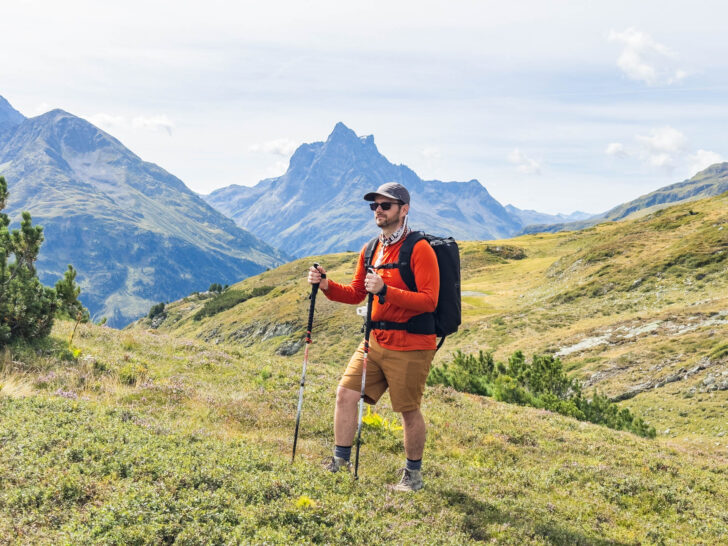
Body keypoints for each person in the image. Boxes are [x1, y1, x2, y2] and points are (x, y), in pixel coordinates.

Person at [307, 182, 439, 492]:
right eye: (374, 206)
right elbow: (355, 294)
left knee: (408, 411)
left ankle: (413, 477)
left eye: (386, 205)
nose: (378, 210)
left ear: (403, 210)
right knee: (345, 394)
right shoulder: (371, 249)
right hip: (374, 342)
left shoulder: (420, 250)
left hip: (411, 346)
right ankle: (339, 462)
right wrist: (326, 284)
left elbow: (429, 301)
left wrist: (386, 291)